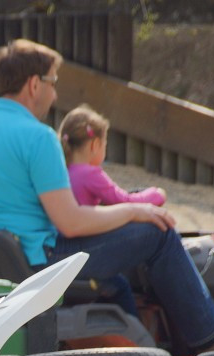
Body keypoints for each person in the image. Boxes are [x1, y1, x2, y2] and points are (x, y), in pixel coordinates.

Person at [0, 39, 214, 353]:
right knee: (158, 233)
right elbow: (70, 222)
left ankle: (138, 340)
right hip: (38, 265)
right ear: (33, 85)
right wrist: (132, 211)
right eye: (53, 82)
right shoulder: (37, 137)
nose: (55, 93)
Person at [58, 103, 167, 318]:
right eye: (105, 143)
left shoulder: (62, 171)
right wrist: (157, 195)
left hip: (64, 248)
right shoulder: (91, 174)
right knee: (121, 285)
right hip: (85, 247)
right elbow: (123, 200)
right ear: (95, 145)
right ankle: (138, 342)